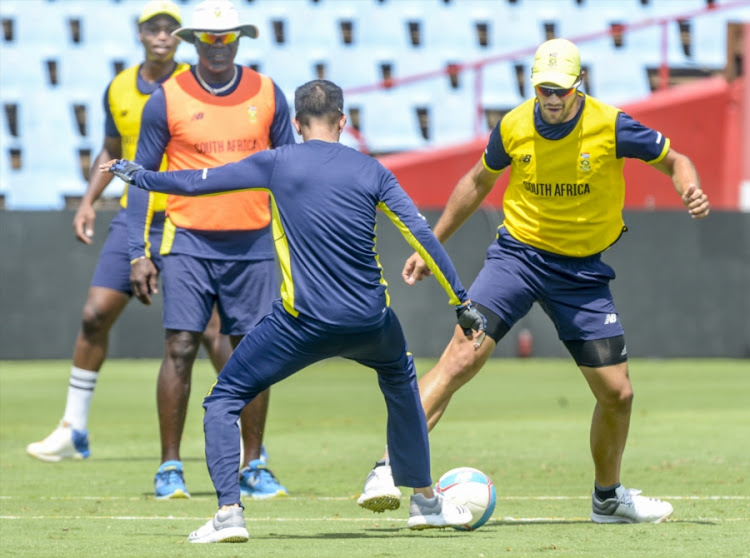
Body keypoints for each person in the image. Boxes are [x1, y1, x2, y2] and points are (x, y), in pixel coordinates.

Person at [104, 78, 488, 543]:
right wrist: (462, 303)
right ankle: (425, 501)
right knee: (401, 380)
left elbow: (196, 183)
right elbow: (422, 238)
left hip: (301, 324)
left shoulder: (276, 162)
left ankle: (229, 514)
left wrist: (137, 175)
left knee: (223, 401)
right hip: (371, 321)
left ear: (297, 124)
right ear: (344, 122)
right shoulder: (374, 171)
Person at [357, 38, 711, 524]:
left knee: (618, 394)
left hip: (582, 273)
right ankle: (387, 467)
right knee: (460, 358)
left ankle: (607, 498)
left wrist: (688, 187)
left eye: (561, 90)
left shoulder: (610, 125)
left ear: (578, 86)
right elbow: (477, 182)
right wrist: (428, 245)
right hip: (517, 259)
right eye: (543, 88)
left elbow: (676, 160)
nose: (551, 98)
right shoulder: (514, 125)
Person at [26, 0, 236, 468]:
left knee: (212, 331)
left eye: (170, 28)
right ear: (140, 34)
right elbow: (111, 147)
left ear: (180, 38)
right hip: (133, 216)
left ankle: (241, 435)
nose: (162, 35)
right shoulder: (119, 85)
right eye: (153, 27)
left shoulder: (194, 84)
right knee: (94, 315)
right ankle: (73, 428)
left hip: (187, 215)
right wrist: (86, 200)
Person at [126, 0, 294, 501]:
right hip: (189, 241)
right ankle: (170, 468)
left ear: (239, 39)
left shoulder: (267, 93)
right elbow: (139, 176)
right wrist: (139, 249)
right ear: (191, 41)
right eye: (208, 38)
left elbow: (291, 171)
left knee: (254, 354)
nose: (218, 48)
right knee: (179, 347)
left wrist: (301, 244)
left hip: (254, 242)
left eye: (227, 38)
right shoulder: (166, 98)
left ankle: (254, 465)